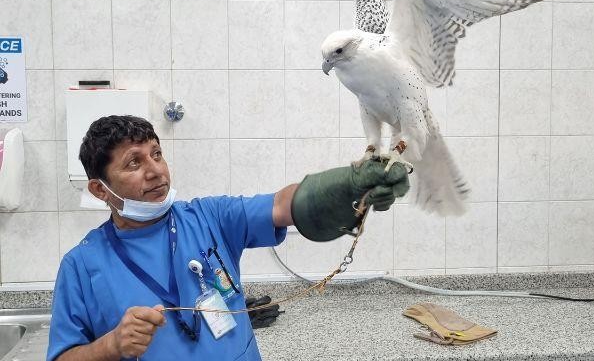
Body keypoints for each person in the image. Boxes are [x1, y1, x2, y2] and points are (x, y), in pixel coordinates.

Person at [47, 115, 409, 361]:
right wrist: (110, 345)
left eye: (157, 154)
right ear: (99, 189)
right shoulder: (82, 266)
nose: (155, 170)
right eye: (134, 163)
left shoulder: (209, 218)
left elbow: (284, 205)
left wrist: (351, 186)